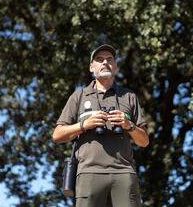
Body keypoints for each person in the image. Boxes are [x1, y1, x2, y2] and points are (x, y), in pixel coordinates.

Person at [53, 44, 149, 207]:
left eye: (110, 59)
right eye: (99, 59)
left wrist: (128, 125)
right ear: (92, 67)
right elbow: (57, 135)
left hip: (124, 172)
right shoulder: (79, 96)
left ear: (116, 66)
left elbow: (144, 141)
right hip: (88, 172)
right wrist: (84, 125)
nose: (105, 62)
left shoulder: (129, 97)